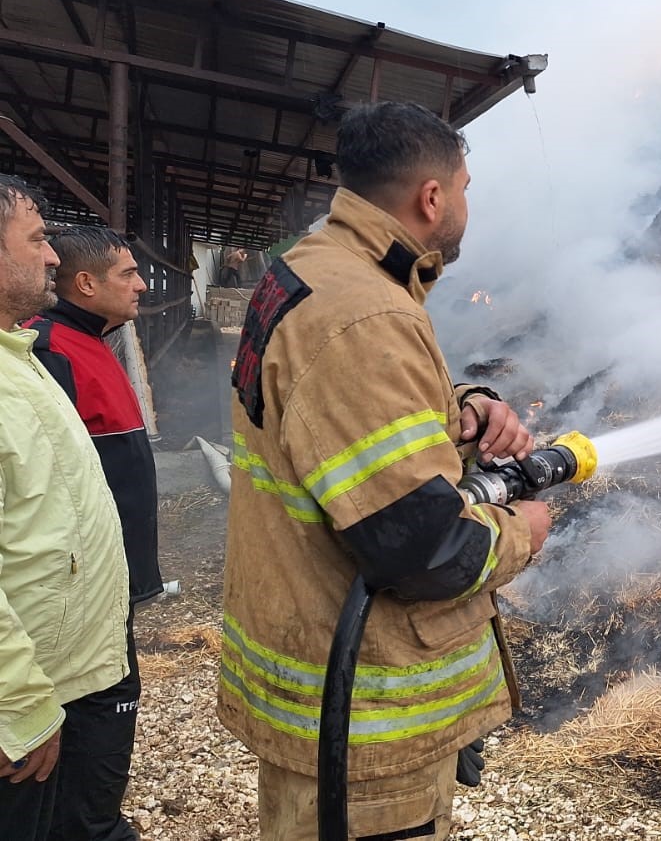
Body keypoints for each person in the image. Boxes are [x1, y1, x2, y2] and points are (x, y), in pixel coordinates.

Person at [218, 101, 551, 840]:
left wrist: (460, 407)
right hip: (366, 726)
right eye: (464, 188)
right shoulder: (365, 314)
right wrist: (523, 531)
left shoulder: (313, 269)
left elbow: (334, 423)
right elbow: (423, 547)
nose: (467, 205)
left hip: (322, 690)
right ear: (431, 198)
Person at [0, 176, 130, 839]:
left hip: (71, 680)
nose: (53, 256)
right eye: (37, 239)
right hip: (27, 708)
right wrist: (18, 705)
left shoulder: (17, 358)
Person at [27, 226, 164, 841]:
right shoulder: (51, 350)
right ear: (86, 285)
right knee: (93, 722)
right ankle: (88, 824)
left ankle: (89, 817)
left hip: (107, 590)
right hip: (77, 604)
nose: (141, 285)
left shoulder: (93, 342)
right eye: (128, 274)